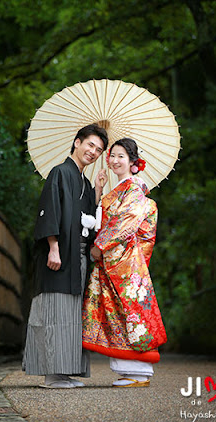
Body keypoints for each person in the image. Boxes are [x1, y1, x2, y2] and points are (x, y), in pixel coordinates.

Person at [23, 123, 108, 388]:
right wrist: (54, 247)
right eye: (90, 145)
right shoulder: (59, 173)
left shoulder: (82, 181)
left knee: (71, 314)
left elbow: (88, 218)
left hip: (78, 257)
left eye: (99, 149)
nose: (93, 152)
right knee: (54, 311)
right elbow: (50, 210)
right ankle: (51, 375)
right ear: (77, 142)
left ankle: (64, 371)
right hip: (59, 254)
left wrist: (97, 190)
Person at [82, 137, 167, 388]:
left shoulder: (133, 189)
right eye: (112, 156)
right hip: (118, 260)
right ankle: (132, 372)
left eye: (121, 156)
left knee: (129, 313)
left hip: (124, 261)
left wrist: (100, 245)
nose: (115, 160)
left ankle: (137, 372)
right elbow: (106, 218)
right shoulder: (119, 188)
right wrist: (98, 190)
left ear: (133, 162)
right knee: (120, 314)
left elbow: (125, 222)